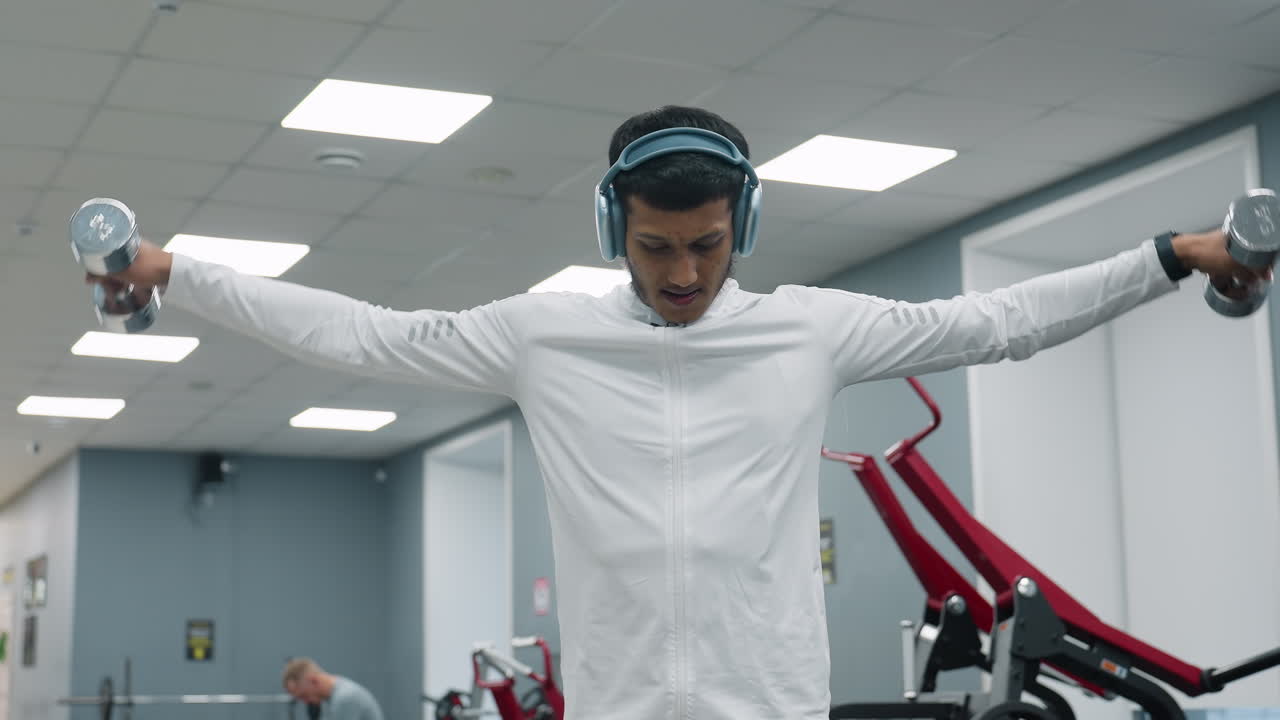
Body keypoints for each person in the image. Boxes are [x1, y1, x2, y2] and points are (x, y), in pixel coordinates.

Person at [89, 106, 1268, 720]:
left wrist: (1168, 255)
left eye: (705, 246)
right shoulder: (544, 334)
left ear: (739, 228)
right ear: (616, 232)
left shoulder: (805, 329)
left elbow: (998, 321)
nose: (682, 273)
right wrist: (175, 271)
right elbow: (359, 332)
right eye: (655, 248)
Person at [282, 657, 384, 720]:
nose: (305, 702)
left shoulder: (345, 698)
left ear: (314, 681)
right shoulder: (332, 697)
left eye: (304, 695)